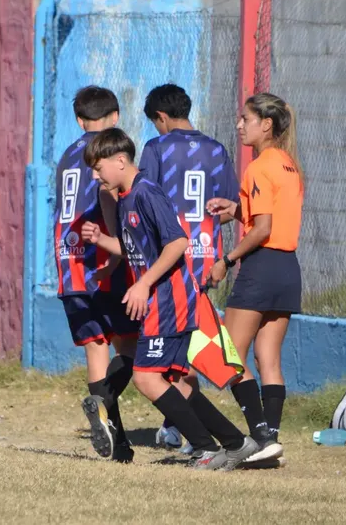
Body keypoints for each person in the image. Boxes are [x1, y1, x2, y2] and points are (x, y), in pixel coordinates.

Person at [80, 128, 257, 471]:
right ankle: (237, 443)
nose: (95, 174)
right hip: (159, 300)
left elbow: (177, 244)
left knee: (147, 378)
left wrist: (144, 284)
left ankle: (206, 449)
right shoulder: (127, 197)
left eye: (98, 166)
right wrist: (103, 239)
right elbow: (138, 252)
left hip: (169, 299)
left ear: (120, 160)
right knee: (173, 381)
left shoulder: (146, 193)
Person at [138, 83, 242, 453]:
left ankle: (183, 428)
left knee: (169, 342)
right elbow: (229, 208)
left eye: (155, 122)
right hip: (207, 259)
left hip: (171, 259)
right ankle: (178, 425)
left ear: (161, 118)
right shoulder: (216, 149)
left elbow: (145, 200)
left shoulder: (157, 149)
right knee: (188, 339)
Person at [206, 92, 304, 464]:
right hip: (287, 269)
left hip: (260, 267)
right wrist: (235, 209)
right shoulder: (289, 165)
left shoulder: (259, 166)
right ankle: (272, 441)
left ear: (266, 125)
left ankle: (260, 437)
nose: (239, 125)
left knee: (229, 354)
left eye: (245, 118)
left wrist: (227, 260)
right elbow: (267, 215)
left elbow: (262, 229)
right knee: (269, 359)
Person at [53, 86, 137, 462]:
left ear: (78, 118)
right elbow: (109, 203)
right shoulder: (103, 154)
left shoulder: (66, 156)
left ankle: (117, 444)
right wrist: (118, 253)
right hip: (101, 262)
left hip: (67, 265)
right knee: (132, 348)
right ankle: (100, 402)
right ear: (115, 117)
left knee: (95, 350)